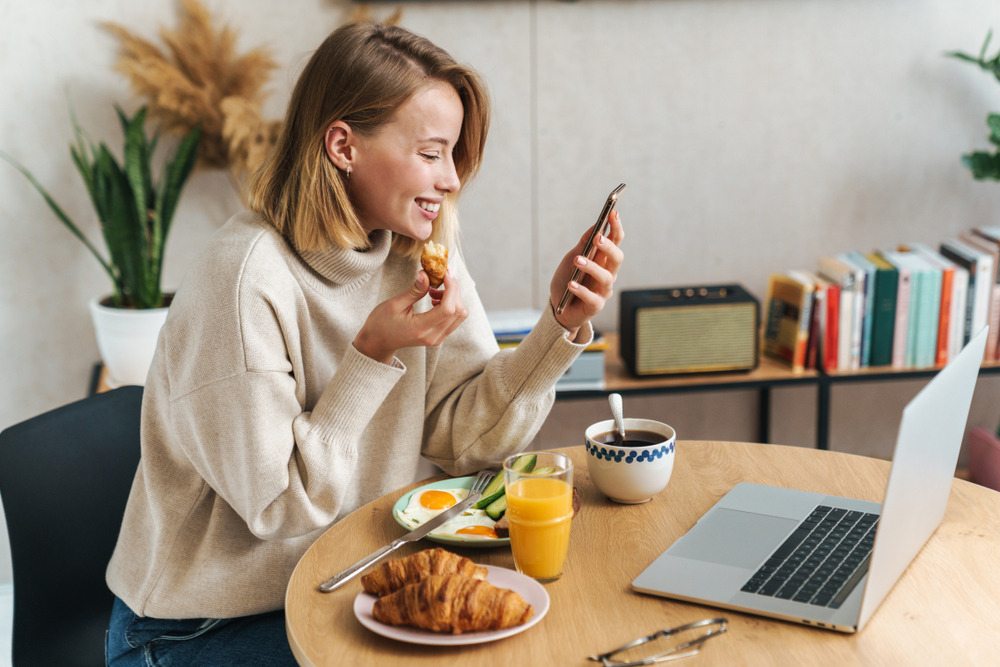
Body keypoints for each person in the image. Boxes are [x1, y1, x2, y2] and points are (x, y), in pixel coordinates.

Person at [105, 20, 624, 667]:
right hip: (199, 629)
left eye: (455, 155)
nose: (452, 179)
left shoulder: (419, 252)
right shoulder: (243, 280)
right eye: (432, 153)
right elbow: (277, 504)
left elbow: (462, 438)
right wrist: (371, 357)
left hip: (341, 586)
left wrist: (556, 325)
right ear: (343, 145)